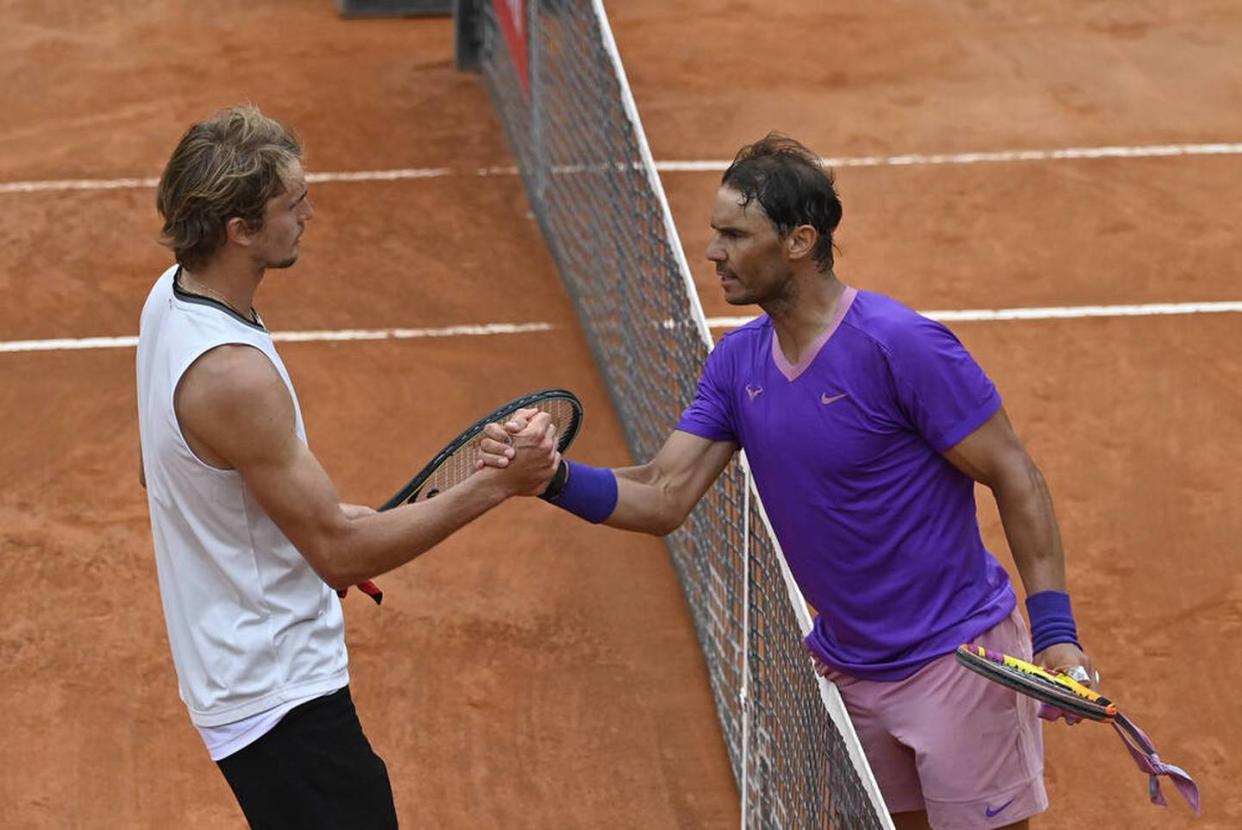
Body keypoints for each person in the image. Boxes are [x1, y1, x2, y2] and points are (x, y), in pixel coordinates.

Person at [501, 134, 1096, 830]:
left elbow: (1015, 474)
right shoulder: (734, 365)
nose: (713, 253)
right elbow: (663, 495)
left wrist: (1056, 630)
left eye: (733, 234)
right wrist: (552, 478)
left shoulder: (899, 345)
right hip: (854, 672)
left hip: (956, 663)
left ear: (799, 241)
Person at [135, 104, 560, 829]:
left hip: (244, 668)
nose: (309, 214)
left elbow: (181, 477)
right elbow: (338, 557)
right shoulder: (233, 376)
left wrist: (313, 532)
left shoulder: (172, 300)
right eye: (291, 204)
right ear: (239, 230)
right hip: (278, 696)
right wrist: (500, 483)